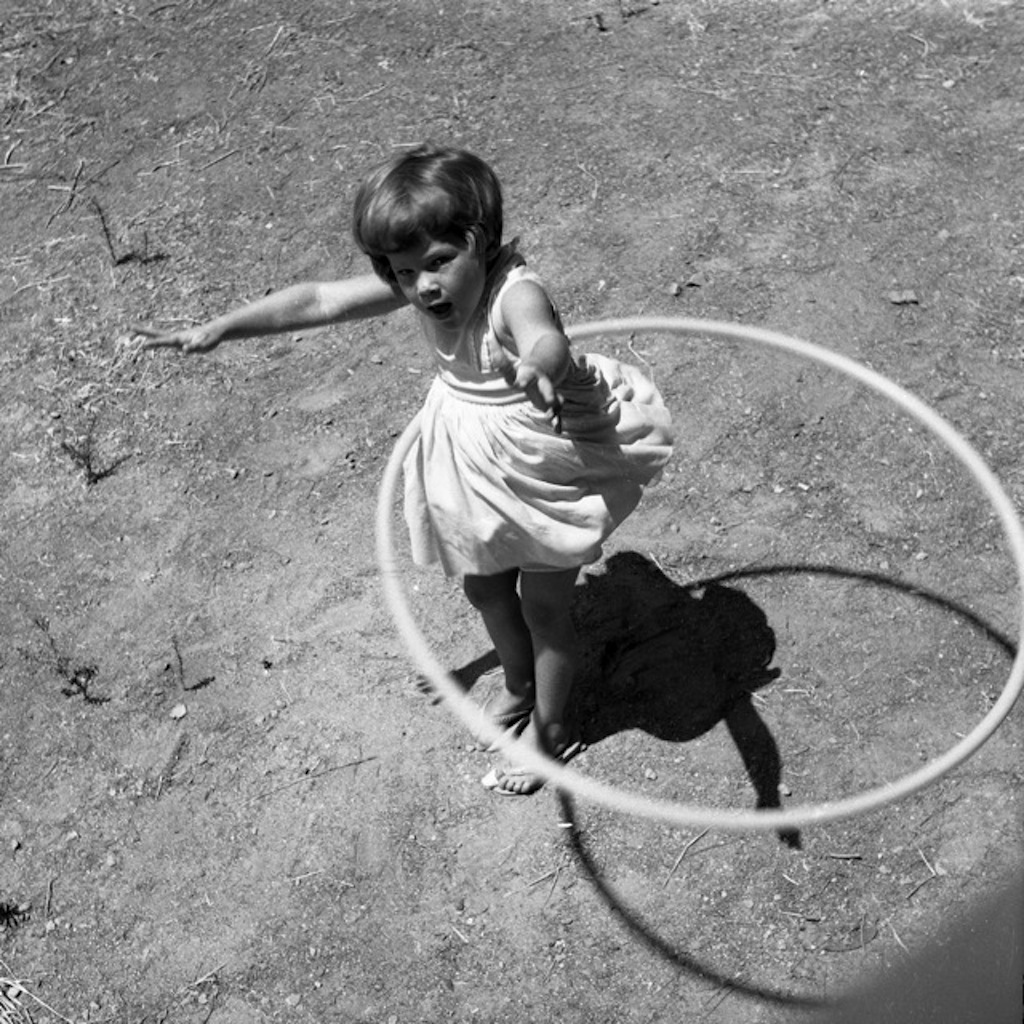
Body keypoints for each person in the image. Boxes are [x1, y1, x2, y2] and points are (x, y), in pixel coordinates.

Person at [137, 143, 674, 796]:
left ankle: (551, 729)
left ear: (481, 241)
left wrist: (538, 366)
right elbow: (319, 300)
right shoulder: (417, 282)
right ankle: (519, 682)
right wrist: (224, 326)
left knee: (543, 606)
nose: (421, 286)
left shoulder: (512, 292)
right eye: (401, 271)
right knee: (482, 586)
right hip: (472, 457)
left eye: (439, 263)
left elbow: (544, 335)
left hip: (542, 457)